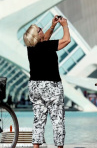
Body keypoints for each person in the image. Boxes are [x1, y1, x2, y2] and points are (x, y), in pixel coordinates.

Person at [24, 15, 71, 148]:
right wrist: (64, 25)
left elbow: (44, 38)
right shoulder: (48, 46)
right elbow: (67, 40)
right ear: (37, 35)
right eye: (40, 29)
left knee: (38, 120)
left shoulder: (31, 48)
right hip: (51, 85)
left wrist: (52, 26)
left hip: (34, 86)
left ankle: (36, 147)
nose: (42, 29)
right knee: (57, 120)